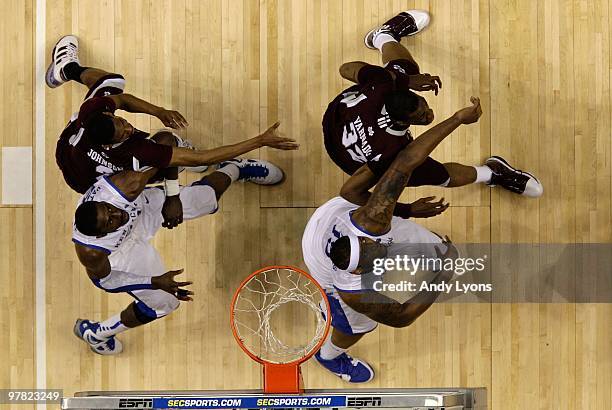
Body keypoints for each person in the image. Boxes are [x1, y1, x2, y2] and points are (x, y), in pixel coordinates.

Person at [303, 97, 483, 383]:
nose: (378, 248)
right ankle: (329, 356)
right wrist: (443, 276)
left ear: (363, 238)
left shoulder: (372, 221)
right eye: (373, 256)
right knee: (357, 327)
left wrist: (458, 118)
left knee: (435, 249)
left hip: (330, 218)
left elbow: (406, 161)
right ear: (359, 272)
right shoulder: (352, 291)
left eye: (372, 245)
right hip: (322, 264)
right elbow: (401, 316)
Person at [47, 35, 298, 228]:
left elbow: (122, 100)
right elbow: (204, 158)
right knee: (171, 155)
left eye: (121, 122)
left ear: (105, 115)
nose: (129, 127)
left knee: (113, 83)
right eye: (123, 133)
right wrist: (260, 140)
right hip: (96, 179)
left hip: (68, 151)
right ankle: (236, 167)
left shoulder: (90, 113)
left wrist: (159, 111)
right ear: (110, 145)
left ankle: (66, 68)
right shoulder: (136, 154)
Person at [71, 157, 284, 355]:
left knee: (204, 200)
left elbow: (167, 147)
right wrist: (153, 282)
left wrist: (172, 195)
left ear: (104, 202)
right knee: (166, 303)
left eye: (109, 209)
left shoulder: (124, 187)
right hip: (121, 253)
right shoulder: (92, 252)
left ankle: (235, 168)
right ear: (101, 233)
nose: (117, 215)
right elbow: (109, 281)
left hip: (142, 211)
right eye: (110, 221)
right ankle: (98, 333)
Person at [323, 10, 543, 201]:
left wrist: (407, 80)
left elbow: (345, 69)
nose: (429, 115)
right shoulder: (392, 151)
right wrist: (405, 210)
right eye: (421, 117)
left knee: (404, 69)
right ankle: (493, 174)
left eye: (424, 107)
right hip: (355, 160)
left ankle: (383, 36)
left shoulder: (381, 84)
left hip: (337, 116)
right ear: (402, 121)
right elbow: (350, 192)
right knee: (438, 175)